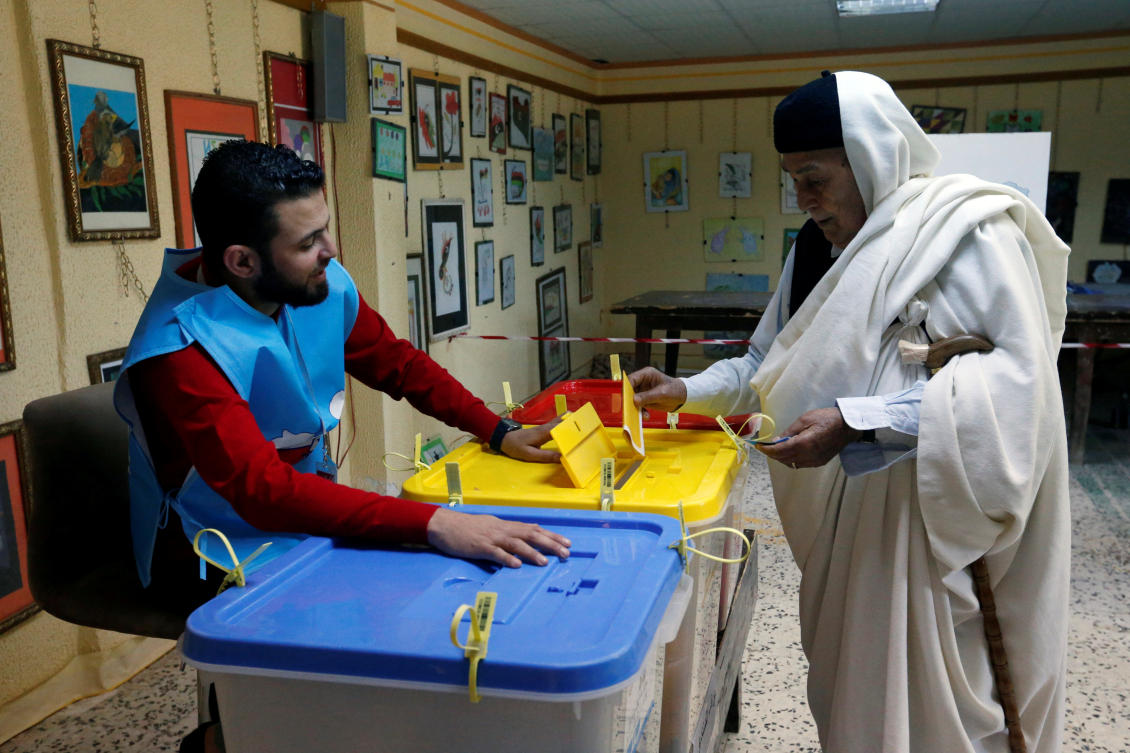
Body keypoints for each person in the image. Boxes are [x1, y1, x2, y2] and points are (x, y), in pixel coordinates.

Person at [631, 71, 1069, 753]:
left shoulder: (967, 233)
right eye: (793, 182)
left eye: (815, 179)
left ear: (870, 157)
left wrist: (860, 420)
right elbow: (760, 368)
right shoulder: (813, 253)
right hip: (847, 535)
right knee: (853, 700)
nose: (803, 201)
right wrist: (685, 390)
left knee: (938, 715)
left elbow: (1020, 388)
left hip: (934, 535)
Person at [115, 140, 571, 598]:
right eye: (308, 242)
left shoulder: (315, 283)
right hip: (212, 543)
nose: (331, 251)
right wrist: (436, 522)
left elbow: (398, 364)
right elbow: (261, 491)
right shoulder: (177, 350)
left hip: (298, 506)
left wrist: (497, 430)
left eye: (325, 229)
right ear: (243, 261)